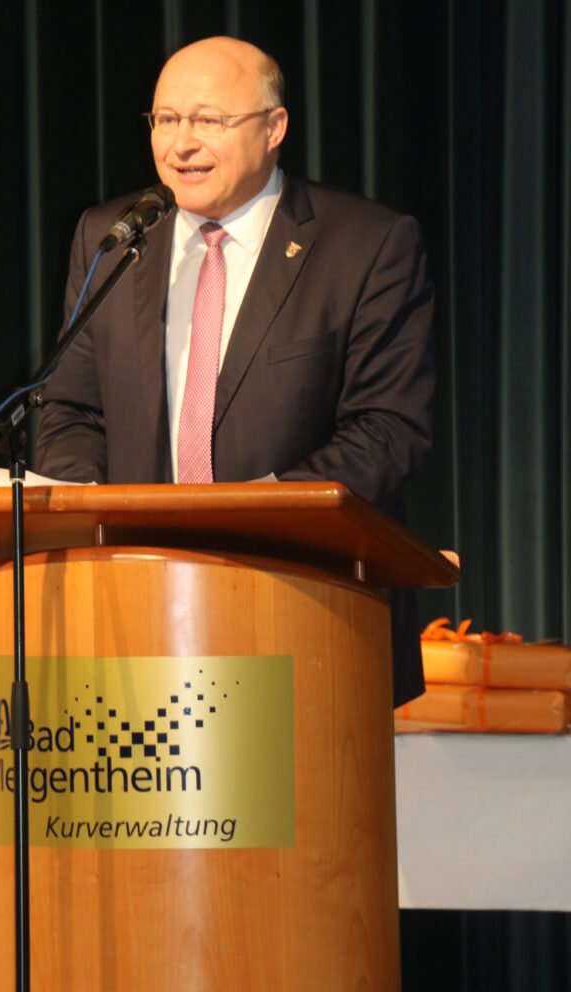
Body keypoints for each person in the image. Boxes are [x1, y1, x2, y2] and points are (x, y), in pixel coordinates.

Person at [35, 36, 434, 705]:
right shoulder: (113, 238)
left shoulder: (366, 246)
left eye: (209, 120)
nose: (181, 144)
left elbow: (387, 431)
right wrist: (100, 522)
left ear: (274, 128)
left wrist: (253, 522)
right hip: (136, 613)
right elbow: (72, 412)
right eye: (166, 119)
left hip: (312, 610)